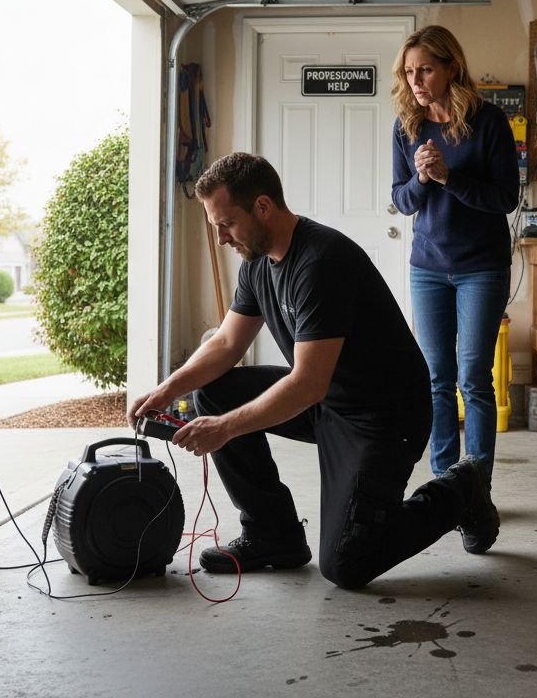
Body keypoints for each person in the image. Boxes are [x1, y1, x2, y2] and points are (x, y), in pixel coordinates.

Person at [127, 152, 499, 589]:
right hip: (328, 401)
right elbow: (227, 344)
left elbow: (306, 384)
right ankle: (272, 535)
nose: (222, 238)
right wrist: (167, 389)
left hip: (382, 417)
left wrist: (223, 429)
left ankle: (460, 490)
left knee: (348, 563)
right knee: (213, 391)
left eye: (226, 224)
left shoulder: (321, 262)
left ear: (262, 207)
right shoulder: (257, 262)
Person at [390, 25, 520, 479]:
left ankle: (475, 487)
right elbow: (402, 200)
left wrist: (449, 178)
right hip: (428, 268)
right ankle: (446, 483)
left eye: (425, 69)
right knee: (436, 380)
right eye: (409, 72)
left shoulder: (489, 122)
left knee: (474, 379)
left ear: (451, 68)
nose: (416, 81)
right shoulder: (407, 126)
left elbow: (506, 198)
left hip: (481, 267)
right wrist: (422, 179)